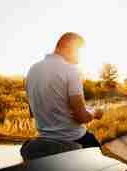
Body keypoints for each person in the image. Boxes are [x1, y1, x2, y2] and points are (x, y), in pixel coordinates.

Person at [21, 32, 103, 160]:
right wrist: (94, 112)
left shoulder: (32, 70)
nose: (81, 57)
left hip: (42, 141)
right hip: (75, 139)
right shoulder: (71, 70)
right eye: (80, 51)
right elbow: (81, 117)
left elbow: (32, 112)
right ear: (69, 48)